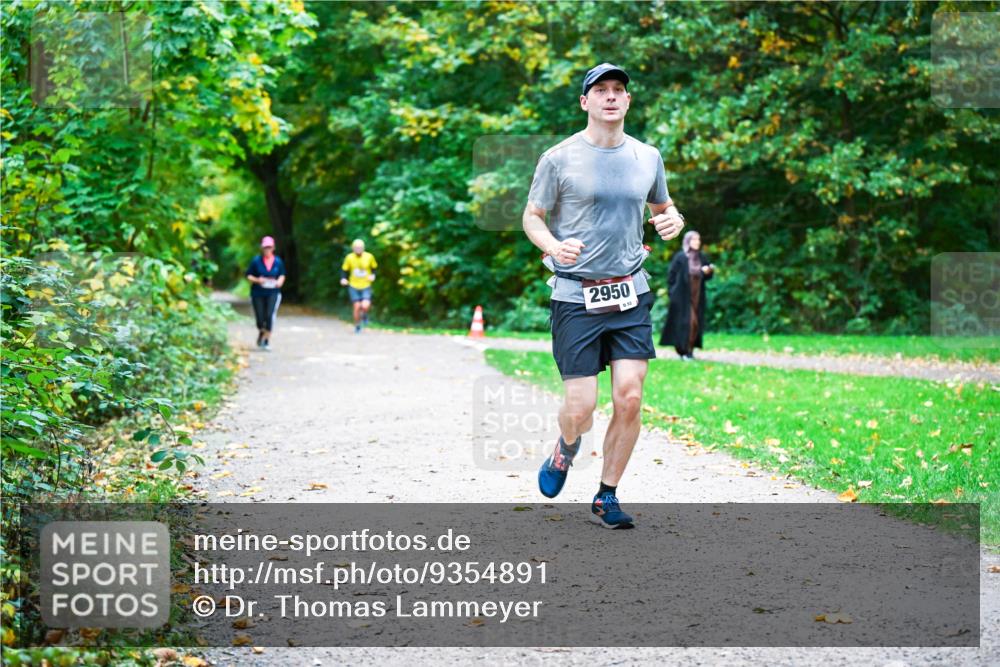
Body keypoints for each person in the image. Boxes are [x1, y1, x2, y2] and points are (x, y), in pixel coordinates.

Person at [522, 63, 685, 529]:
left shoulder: (647, 156)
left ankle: (606, 495)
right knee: (581, 409)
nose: (611, 96)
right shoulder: (558, 158)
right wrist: (553, 246)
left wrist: (674, 220)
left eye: (618, 90)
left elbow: (663, 207)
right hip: (576, 296)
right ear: (585, 101)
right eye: (601, 90)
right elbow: (532, 217)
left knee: (630, 397)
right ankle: (566, 446)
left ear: (628, 101)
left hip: (630, 292)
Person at [659, 231, 714, 359]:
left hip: (697, 296)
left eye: (698, 239)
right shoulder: (681, 257)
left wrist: (708, 271)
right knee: (687, 322)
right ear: (688, 241)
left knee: (695, 323)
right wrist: (672, 292)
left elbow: (707, 276)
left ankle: (689, 350)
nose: (697, 242)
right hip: (682, 297)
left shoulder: (701, 257)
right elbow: (671, 276)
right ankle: (683, 350)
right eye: (694, 240)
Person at [245, 236, 286, 350]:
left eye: (269, 247)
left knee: (269, 315)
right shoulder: (256, 261)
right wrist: (258, 280)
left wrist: (279, 282)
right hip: (258, 292)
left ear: (273, 248)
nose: (267, 249)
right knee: (260, 318)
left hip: (273, 292)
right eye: (265, 247)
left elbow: (282, 274)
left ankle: (266, 341)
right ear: (262, 248)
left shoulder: (278, 261)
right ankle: (262, 332)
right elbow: (248, 275)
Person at [340, 239, 377, 334]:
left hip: (366, 285)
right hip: (353, 285)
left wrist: (373, 275)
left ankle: (364, 314)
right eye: (356, 248)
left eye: (360, 247)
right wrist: (343, 279)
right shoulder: (349, 257)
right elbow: (344, 270)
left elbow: (374, 268)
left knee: (365, 305)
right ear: (353, 248)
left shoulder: (369, 256)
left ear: (363, 248)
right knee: (357, 306)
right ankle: (357, 325)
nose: (358, 249)